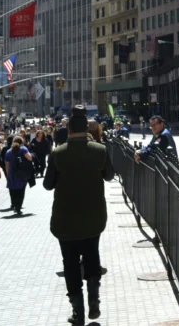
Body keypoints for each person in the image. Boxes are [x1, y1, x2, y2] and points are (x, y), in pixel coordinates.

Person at [44, 107, 115, 325]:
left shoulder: (58, 154)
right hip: (93, 216)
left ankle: (78, 312)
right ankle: (94, 299)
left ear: (68, 128)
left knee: (70, 264)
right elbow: (110, 176)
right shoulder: (99, 150)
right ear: (86, 127)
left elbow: (47, 185)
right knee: (92, 255)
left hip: (65, 220)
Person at [4, 135, 34, 214]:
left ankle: (14, 204)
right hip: (21, 172)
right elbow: (29, 157)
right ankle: (18, 207)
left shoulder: (8, 151)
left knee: (13, 190)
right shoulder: (23, 149)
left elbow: (6, 164)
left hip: (11, 173)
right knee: (21, 190)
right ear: (21, 142)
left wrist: (8, 174)